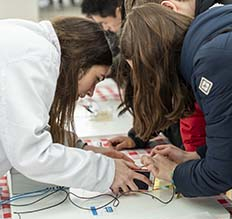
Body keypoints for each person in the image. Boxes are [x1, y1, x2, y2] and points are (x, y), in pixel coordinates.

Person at [118, 3, 232, 213]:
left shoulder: (213, 62)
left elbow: (222, 174)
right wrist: (198, 156)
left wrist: (174, 173)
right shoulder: (213, 34)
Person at [0, 17, 151, 194]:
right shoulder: (38, 57)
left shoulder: (34, 44)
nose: (91, 92)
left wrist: (83, 150)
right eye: (97, 79)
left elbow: (22, 127)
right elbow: (32, 154)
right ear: (80, 65)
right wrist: (107, 171)